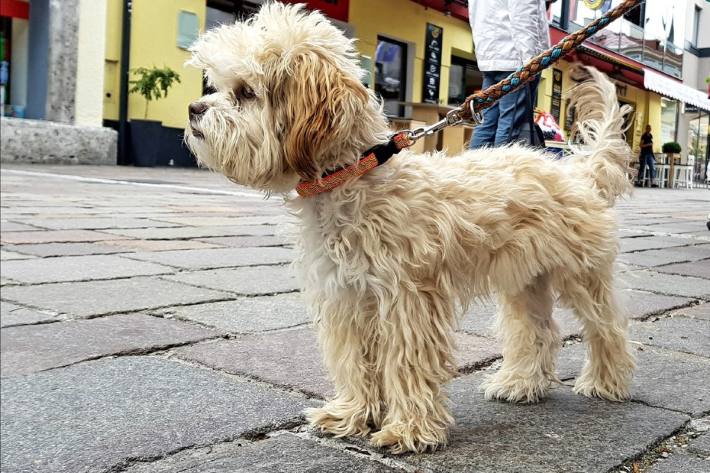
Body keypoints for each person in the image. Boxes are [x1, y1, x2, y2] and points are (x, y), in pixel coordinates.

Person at [468, 0, 551, 149]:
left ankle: (472, 167)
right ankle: (503, 168)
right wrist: (530, 61)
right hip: (514, 58)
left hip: (490, 56)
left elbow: (474, 17)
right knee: (511, 124)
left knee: (487, 122)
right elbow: (524, 17)